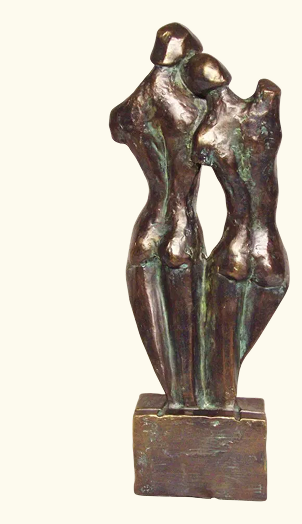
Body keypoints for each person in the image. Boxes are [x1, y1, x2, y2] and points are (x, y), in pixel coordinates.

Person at [184, 54, 290, 411]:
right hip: (269, 250)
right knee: (228, 353)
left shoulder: (205, 137)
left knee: (221, 351)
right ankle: (220, 411)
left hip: (235, 249)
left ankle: (219, 405)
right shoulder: (266, 102)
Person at [109, 23, 207, 409]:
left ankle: (179, 398)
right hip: (181, 223)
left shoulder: (138, 104)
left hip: (151, 221)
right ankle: (186, 399)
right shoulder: (195, 109)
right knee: (188, 330)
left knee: (161, 323)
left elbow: (118, 124)